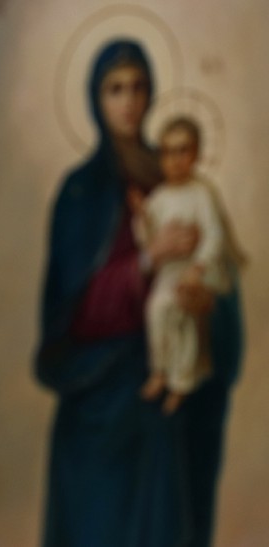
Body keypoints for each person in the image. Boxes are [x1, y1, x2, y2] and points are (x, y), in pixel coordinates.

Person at [35, 40, 243, 546]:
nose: (128, 101)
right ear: (95, 98)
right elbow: (72, 310)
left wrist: (206, 301)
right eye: (115, 89)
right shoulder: (80, 193)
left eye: (137, 87)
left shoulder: (179, 178)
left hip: (161, 406)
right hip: (96, 407)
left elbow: (219, 273)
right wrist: (146, 263)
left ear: (151, 95)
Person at [131, 116, 244, 415]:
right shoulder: (159, 197)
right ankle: (159, 371)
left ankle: (181, 382)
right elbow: (147, 239)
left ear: (195, 154)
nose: (175, 160)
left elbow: (214, 235)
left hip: (197, 272)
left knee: (185, 321)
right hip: (169, 272)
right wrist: (142, 217)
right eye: (167, 152)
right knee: (157, 310)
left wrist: (199, 268)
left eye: (183, 151)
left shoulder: (202, 194)